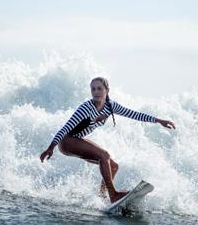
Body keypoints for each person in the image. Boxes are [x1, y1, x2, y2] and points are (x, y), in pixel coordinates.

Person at [40, 77, 176, 203]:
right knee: (104, 155)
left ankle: (102, 197)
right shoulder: (85, 108)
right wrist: (51, 147)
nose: (96, 92)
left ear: (107, 90)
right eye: (93, 89)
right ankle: (113, 195)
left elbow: (134, 114)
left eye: (99, 88)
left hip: (76, 139)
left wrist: (158, 120)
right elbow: (65, 129)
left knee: (113, 166)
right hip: (67, 141)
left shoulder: (111, 106)